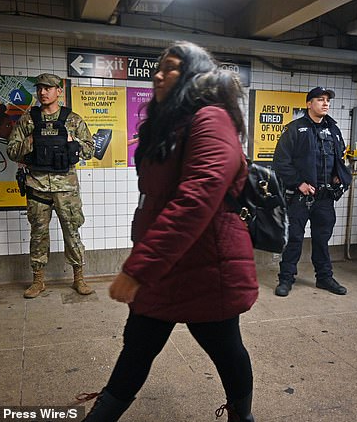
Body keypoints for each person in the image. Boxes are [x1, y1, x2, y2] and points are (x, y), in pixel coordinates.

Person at [80, 41, 258, 422]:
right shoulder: (169, 125)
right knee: (137, 347)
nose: (158, 74)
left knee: (226, 348)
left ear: (195, 76)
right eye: (159, 67)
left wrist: (138, 268)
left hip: (207, 267)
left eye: (171, 67)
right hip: (165, 266)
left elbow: (196, 200)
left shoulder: (212, 119)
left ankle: (242, 417)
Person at [7, 73, 95, 297]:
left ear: (59, 91)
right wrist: (31, 141)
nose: (42, 92)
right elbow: (11, 150)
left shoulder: (72, 120)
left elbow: (89, 149)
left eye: (48, 88)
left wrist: (72, 144)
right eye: (40, 88)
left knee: (72, 232)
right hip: (37, 186)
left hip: (65, 187)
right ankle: (38, 281)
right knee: (38, 234)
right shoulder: (28, 120)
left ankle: (79, 278)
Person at [272, 87, 352, 297]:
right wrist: (299, 183)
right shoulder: (294, 129)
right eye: (320, 100)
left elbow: (339, 157)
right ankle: (286, 279)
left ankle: (324, 278)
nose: (325, 104)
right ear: (309, 104)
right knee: (295, 239)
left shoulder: (334, 129)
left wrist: (338, 175)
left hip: (325, 198)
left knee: (322, 240)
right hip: (299, 198)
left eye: (327, 100)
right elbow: (280, 162)